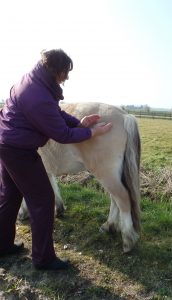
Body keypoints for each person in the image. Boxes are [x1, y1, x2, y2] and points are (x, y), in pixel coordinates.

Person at [0, 49, 112, 270]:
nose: (67, 77)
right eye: (65, 72)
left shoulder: (35, 81)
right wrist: (92, 133)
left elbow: (56, 114)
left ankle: (2, 245)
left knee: (10, 196)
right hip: (19, 150)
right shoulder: (38, 96)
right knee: (43, 200)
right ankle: (43, 259)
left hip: (6, 142)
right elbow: (62, 135)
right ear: (55, 70)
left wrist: (79, 122)